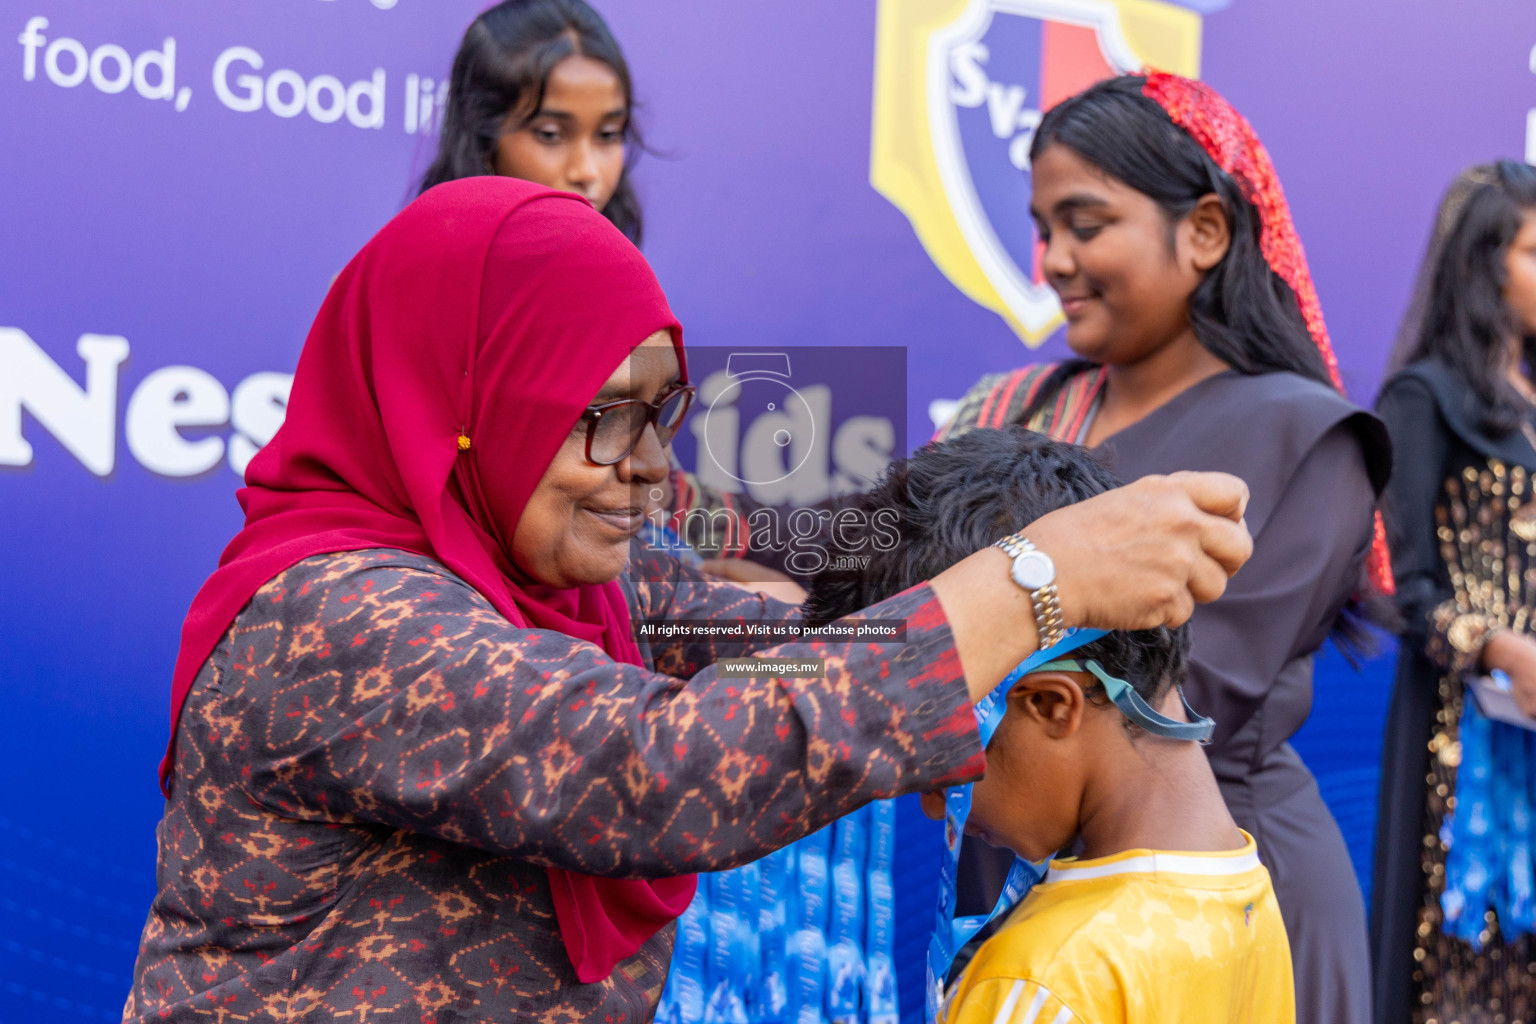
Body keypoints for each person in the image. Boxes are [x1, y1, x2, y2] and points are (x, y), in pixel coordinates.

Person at [119, 177, 1254, 1022]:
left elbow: (786, 638)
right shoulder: (334, 619)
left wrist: (1000, 553)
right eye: (602, 415)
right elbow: (655, 766)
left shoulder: (583, 580)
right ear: (462, 401)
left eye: (662, 414)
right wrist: (1037, 577)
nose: (650, 466)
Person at [934, 72, 1389, 1024]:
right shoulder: (1016, 409)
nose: (1053, 259)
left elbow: (1178, 694)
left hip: (1209, 905)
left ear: (1207, 232)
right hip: (1028, 869)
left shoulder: (1311, 437)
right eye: (1042, 228)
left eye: (1086, 224)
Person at [805, 426, 1295, 1024]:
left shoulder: (1042, 980)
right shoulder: (1244, 892)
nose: (935, 806)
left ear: (1049, 706)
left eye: (933, 759)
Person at [1372, 161, 1536, 1024]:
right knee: (1464, 962)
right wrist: (1501, 648)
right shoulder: (1424, 398)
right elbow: (1402, 588)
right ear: (1482, 263)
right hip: (1464, 743)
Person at [420, 0, 642, 242]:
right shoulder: (424, 267)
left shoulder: (621, 273)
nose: (587, 172)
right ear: (484, 139)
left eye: (608, 134)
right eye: (550, 135)